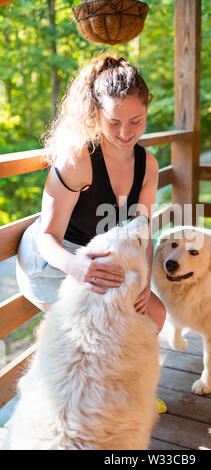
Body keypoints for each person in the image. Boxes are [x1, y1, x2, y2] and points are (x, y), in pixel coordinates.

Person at [16, 54, 166, 333]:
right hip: (52, 261)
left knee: (154, 314)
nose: (126, 132)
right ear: (96, 114)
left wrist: (144, 283)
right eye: (113, 122)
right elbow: (47, 237)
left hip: (95, 255)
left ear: (147, 110)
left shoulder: (148, 166)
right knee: (110, 329)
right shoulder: (78, 159)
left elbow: (143, 233)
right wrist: (76, 267)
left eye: (136, 120)